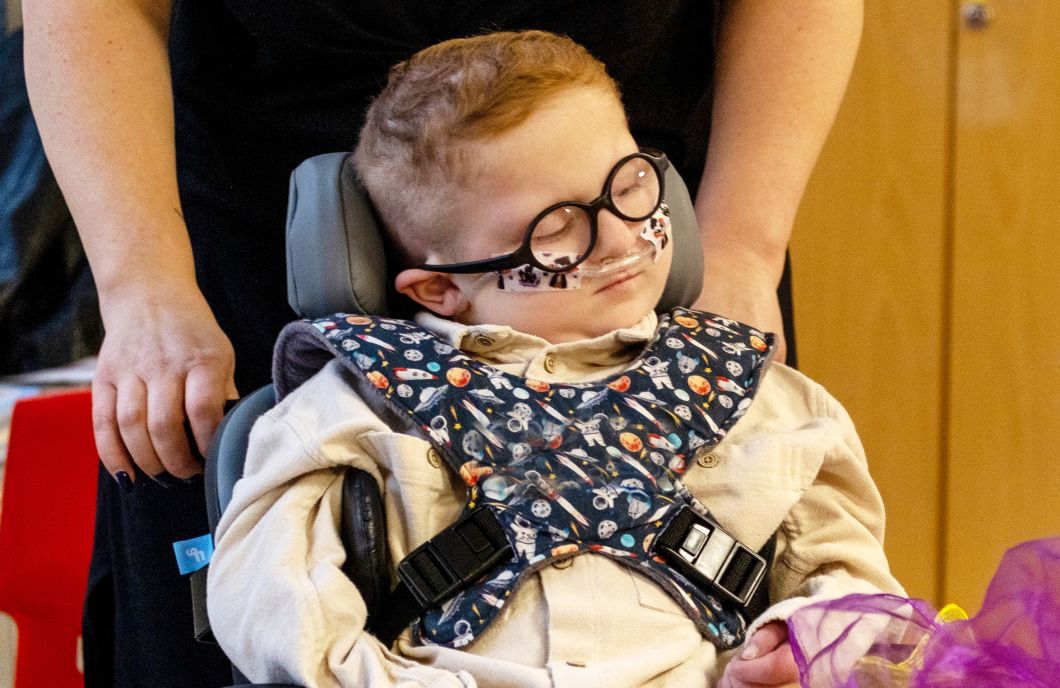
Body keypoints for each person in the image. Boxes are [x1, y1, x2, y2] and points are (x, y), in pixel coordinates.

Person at [22, 2, 863, 685]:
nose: (614, 238)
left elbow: (844, 578)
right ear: (433, 289)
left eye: (628, 195)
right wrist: (142, 285)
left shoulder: (756, 410)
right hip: (252, 192)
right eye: (562, 228)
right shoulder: (329, 426)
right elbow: (281, 618)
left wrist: (797, 641)